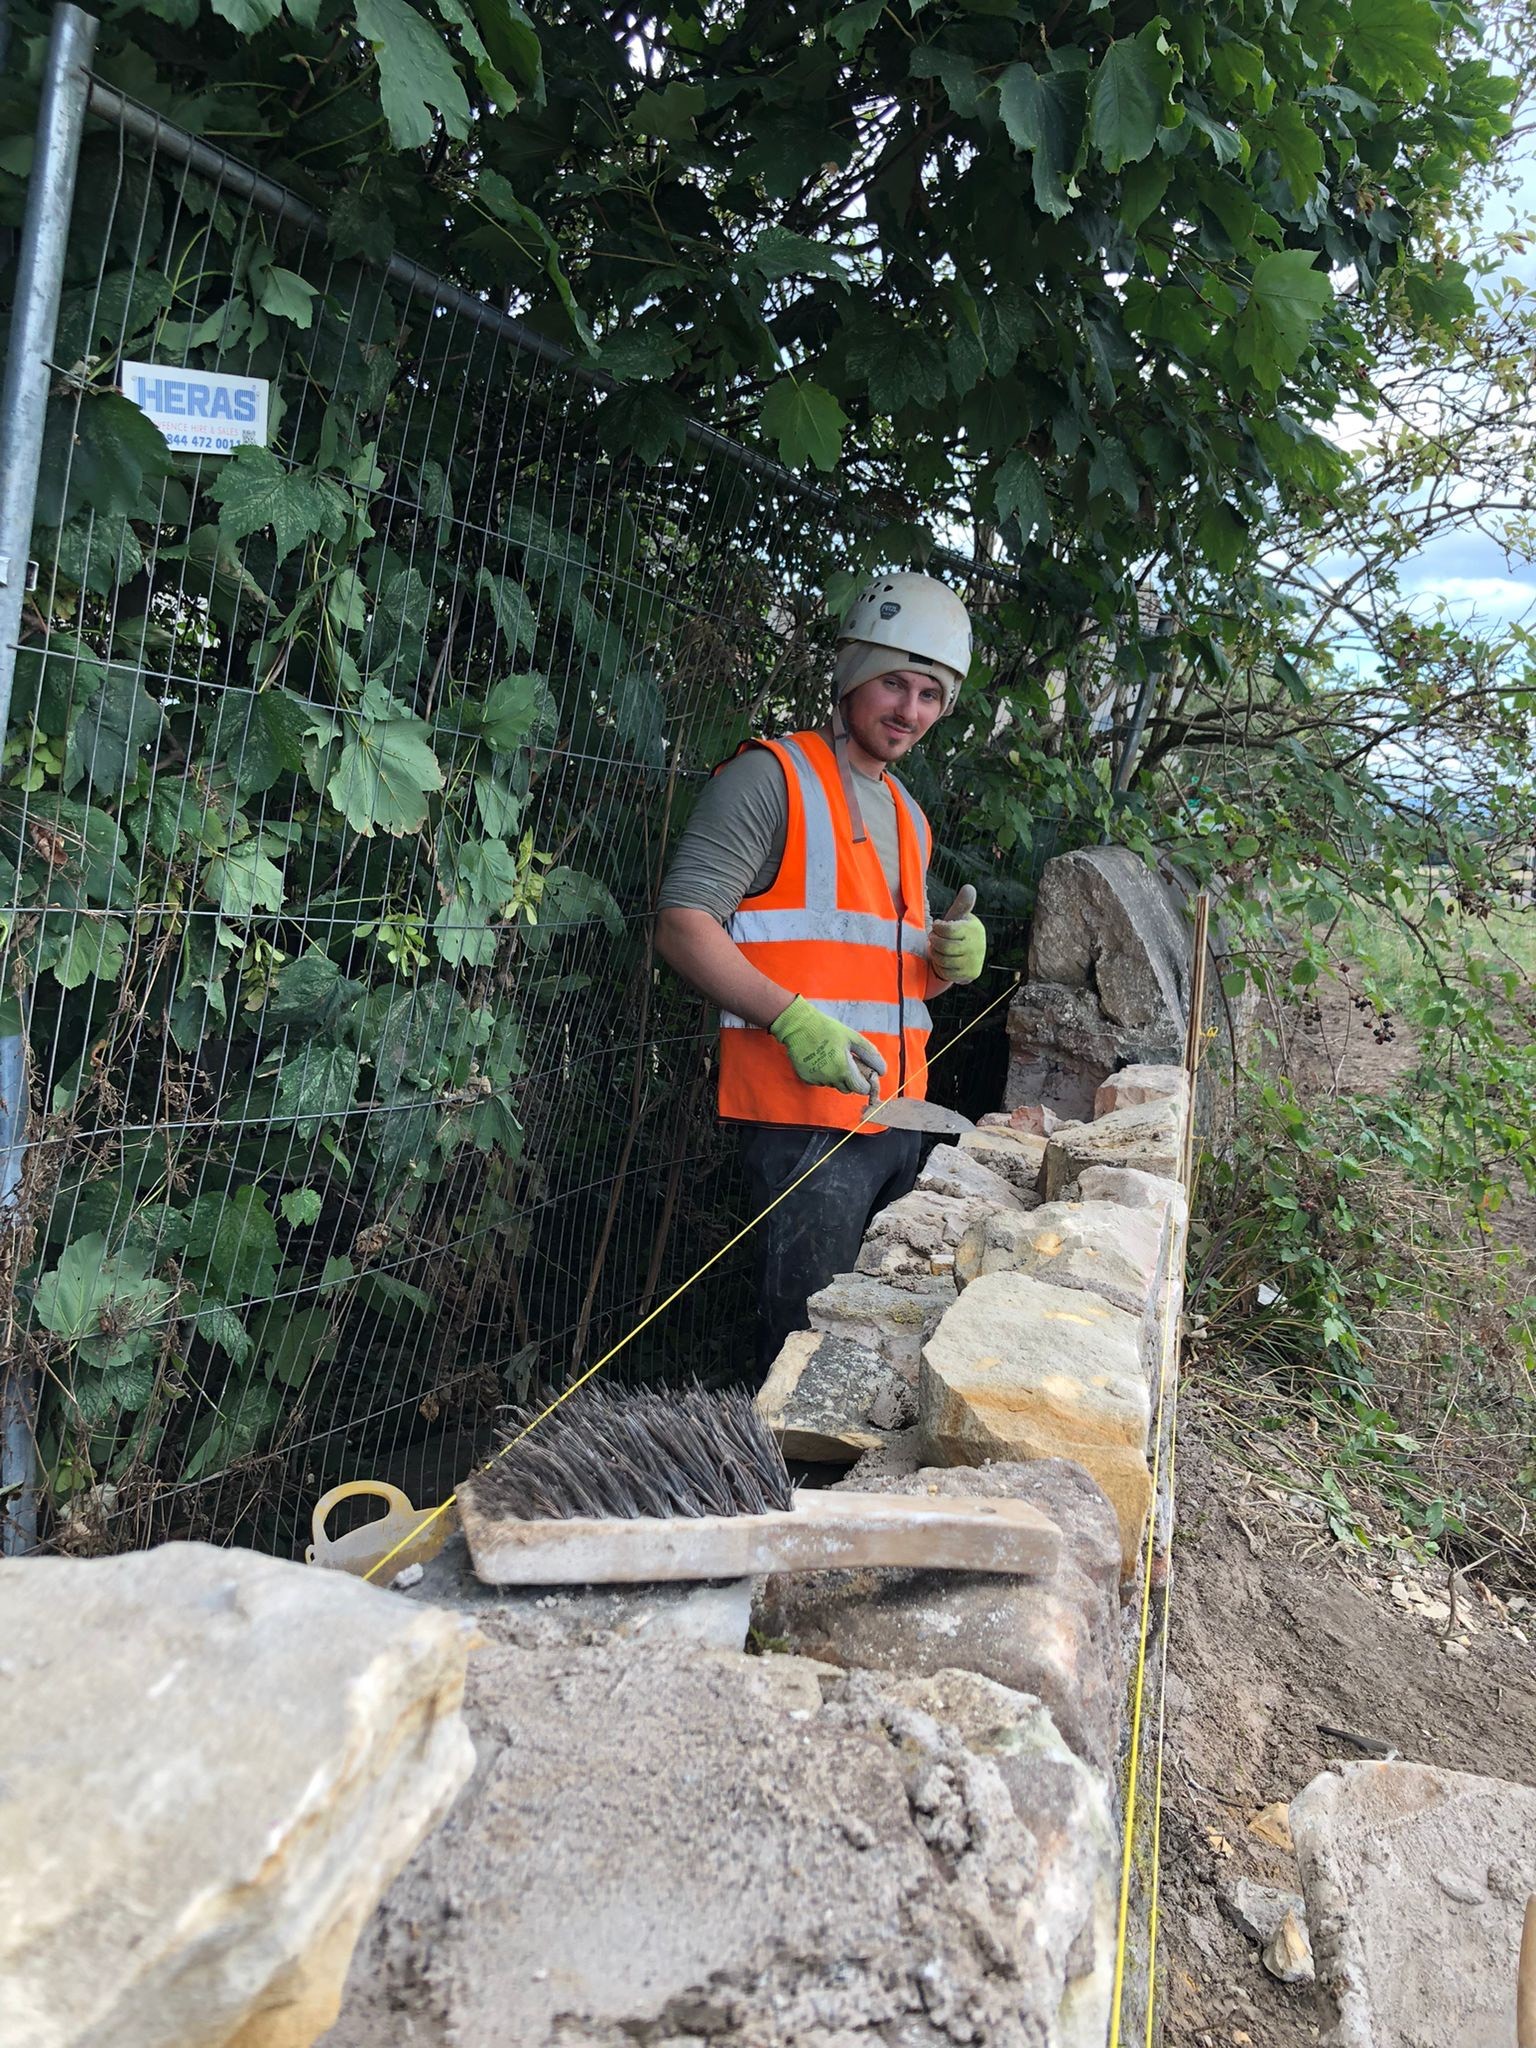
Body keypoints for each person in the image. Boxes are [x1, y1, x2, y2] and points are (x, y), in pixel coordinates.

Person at [656, 571, 989, 1377]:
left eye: (930, 695)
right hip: (807, 1126)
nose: (909, 711)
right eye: (894, 684)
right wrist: (792, 1019)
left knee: (867, 1359)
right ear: (851, 677)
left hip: (897, 1122)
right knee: (802, 1363)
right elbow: (680, 924)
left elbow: (882, 975)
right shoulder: (772, 779)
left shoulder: (907, 815)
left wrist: (944, 962)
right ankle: (785, 1494)